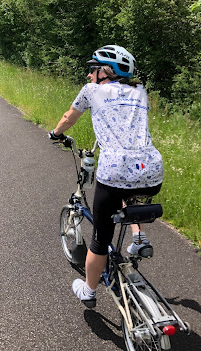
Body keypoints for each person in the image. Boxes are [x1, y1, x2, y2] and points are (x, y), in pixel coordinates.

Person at [49, 45, 163, 308]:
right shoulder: (140, 91)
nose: (90, 75)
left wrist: (55, 133)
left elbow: (69, 117)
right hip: (152, 170)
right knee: (130, 193)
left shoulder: (91, 91)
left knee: (100, 239)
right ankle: (138, 238)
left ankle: (89, 291)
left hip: (114, 172)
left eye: (93, 69)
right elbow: (125, 122)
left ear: (106, 71)